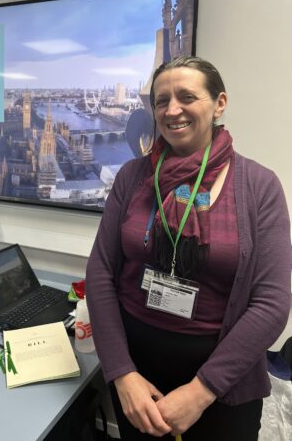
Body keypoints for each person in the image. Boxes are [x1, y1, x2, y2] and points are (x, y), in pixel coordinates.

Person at [86, 56, 291, 440]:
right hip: (137, 375)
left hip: (223, 384)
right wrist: (121, 373)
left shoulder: (259, 187)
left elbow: (272, 303)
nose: (172, 110)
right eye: (161, 101)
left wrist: (201, 392)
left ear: (219, 103)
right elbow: (100, 273)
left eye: (186, 97)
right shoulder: (133, 177)